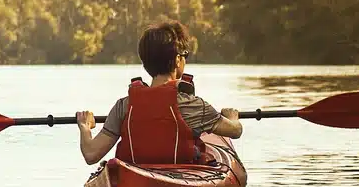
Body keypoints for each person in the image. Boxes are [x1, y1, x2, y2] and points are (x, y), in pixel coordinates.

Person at [75, 21, 241, 165]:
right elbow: (235, 131)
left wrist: (85, 127)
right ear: (177, 60)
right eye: (185, 55)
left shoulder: (124, 106)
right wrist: (231, 117)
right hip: (180, 177)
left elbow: (91, 155)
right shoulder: (192, 105)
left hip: (136, 179)